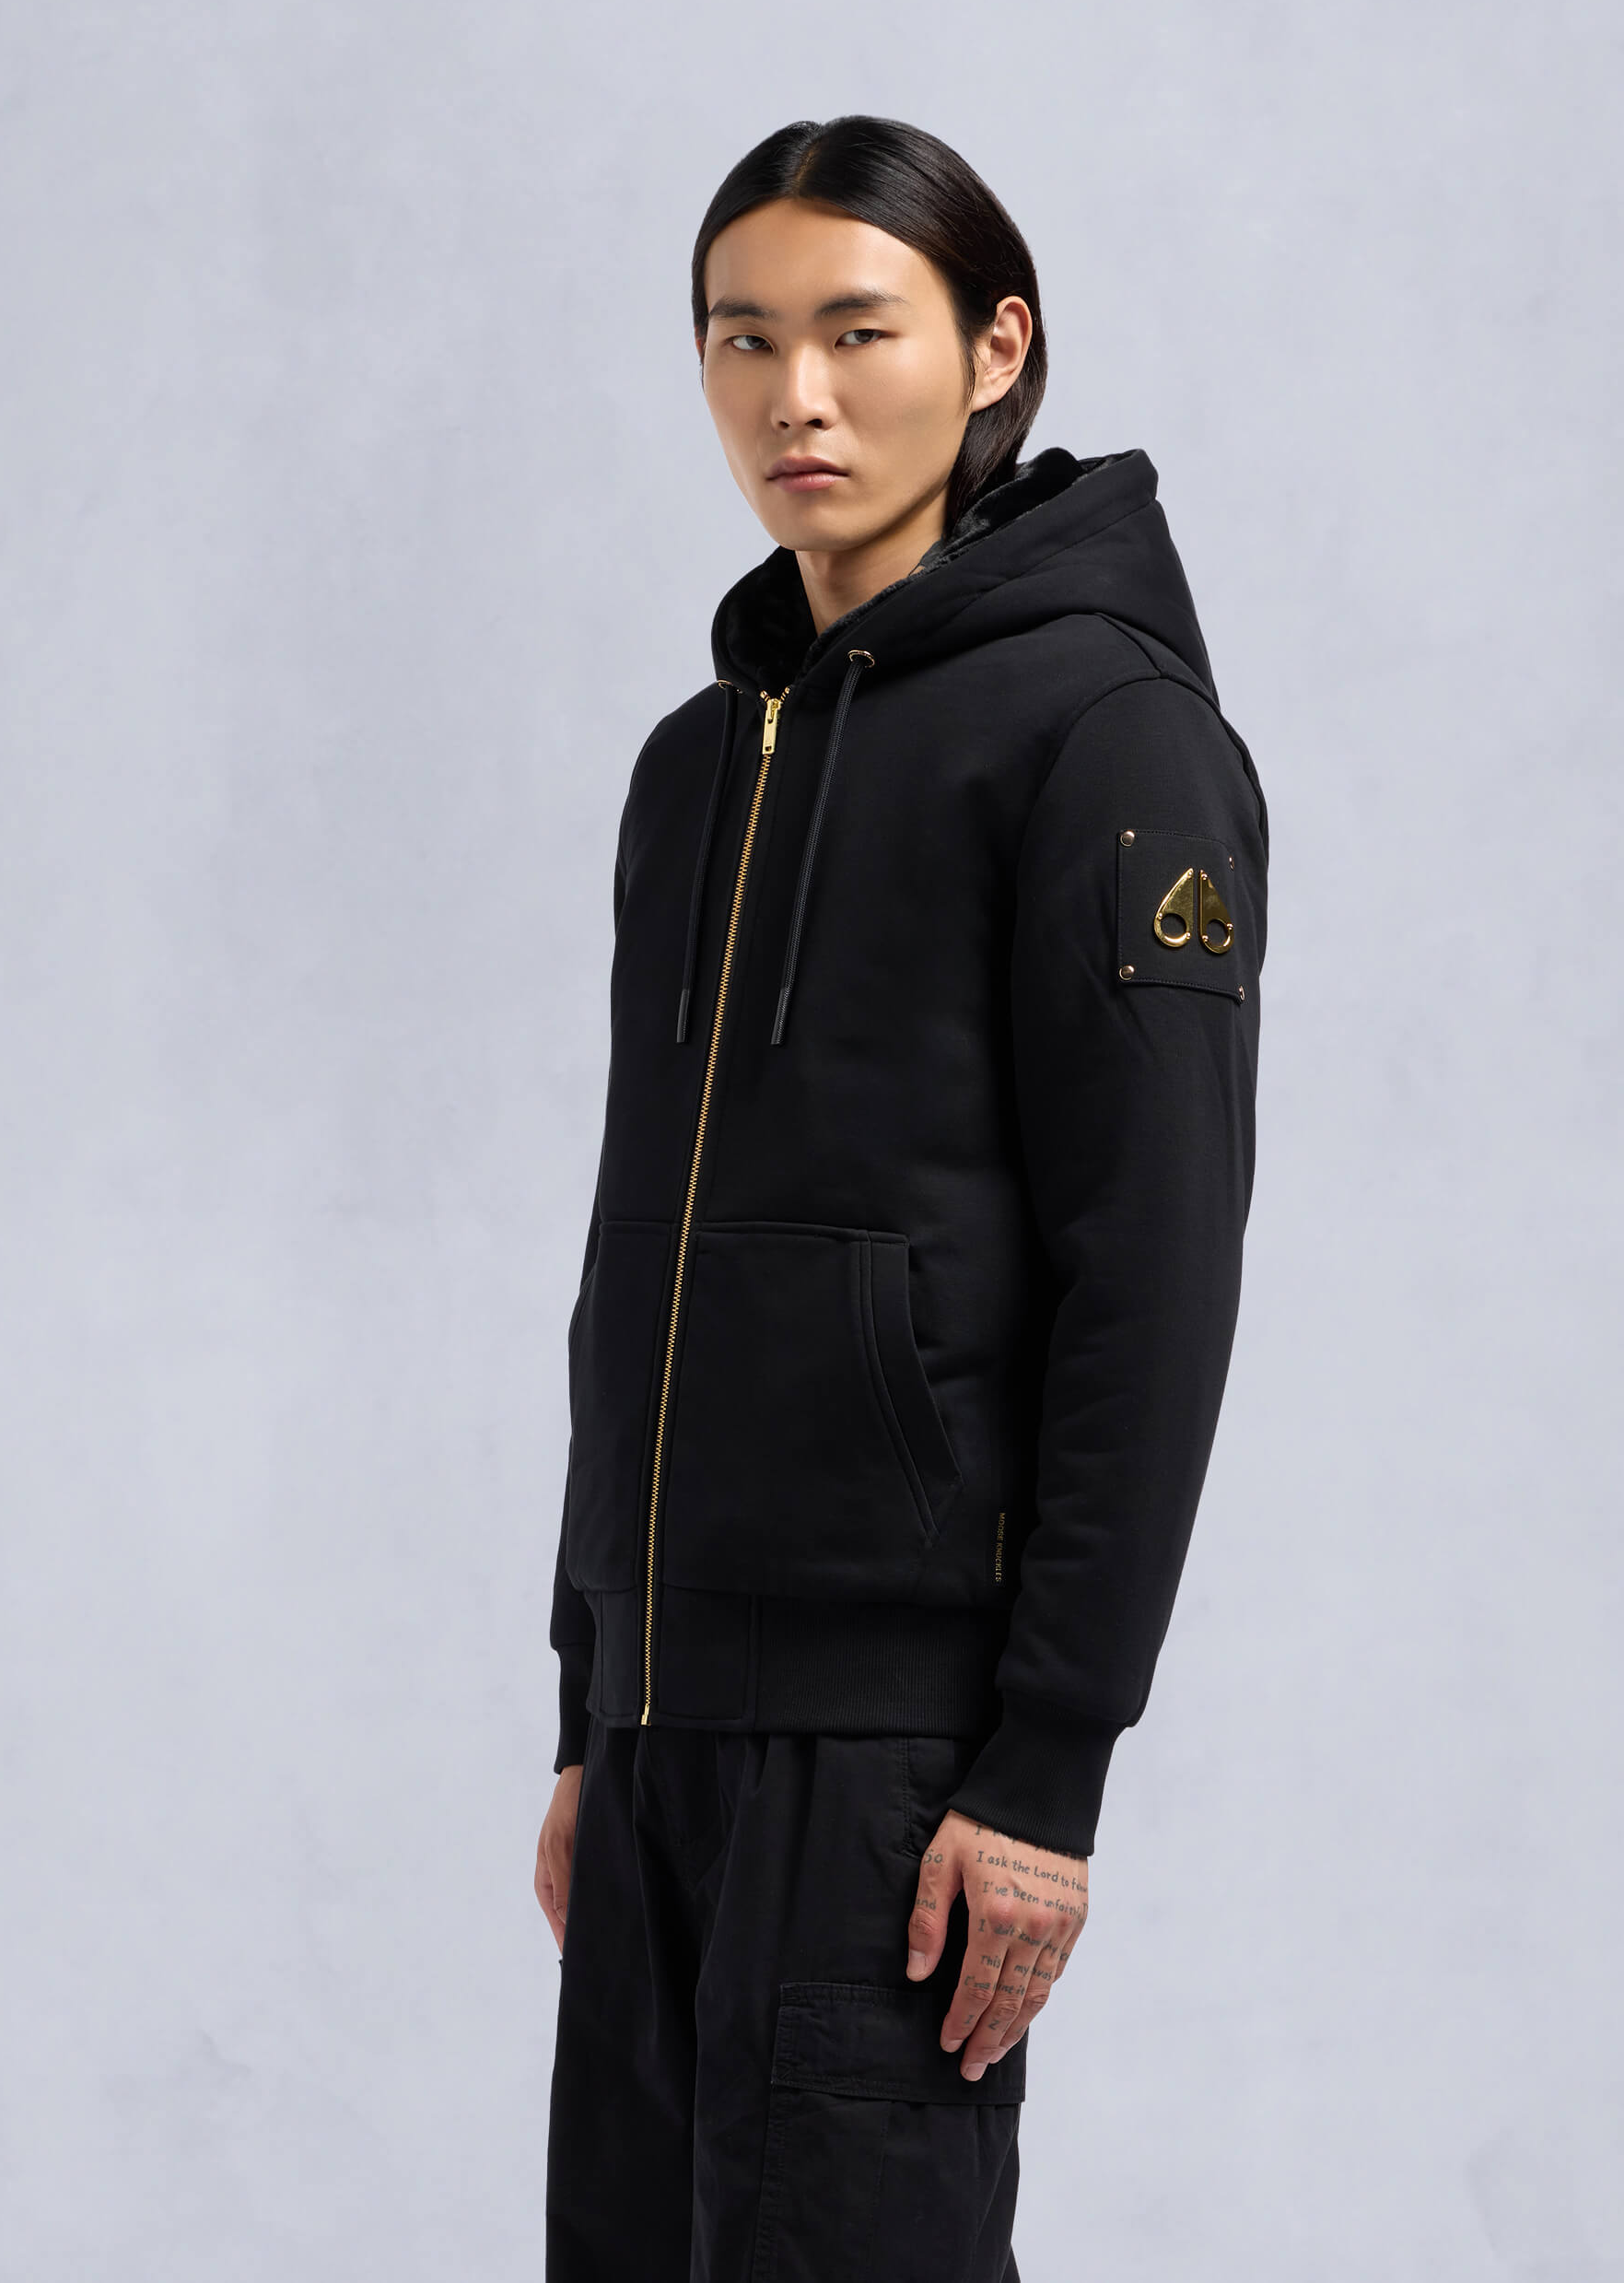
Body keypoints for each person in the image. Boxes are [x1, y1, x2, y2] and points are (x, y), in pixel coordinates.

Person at [535, 114, 1268, 2283]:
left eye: (858, 332)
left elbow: (1153, 1272)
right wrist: (594, 1698)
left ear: (995, 349)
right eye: (742, 339)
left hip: (894, 1758)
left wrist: (1048, 1765)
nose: (798, 396)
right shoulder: (695, 764)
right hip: (659, 1730)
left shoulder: (1106, 737)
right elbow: (635, 1254)